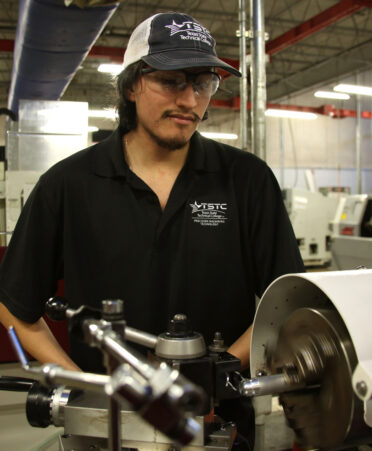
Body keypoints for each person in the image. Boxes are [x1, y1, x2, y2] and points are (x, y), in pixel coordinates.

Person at [0, 11, 304, 447]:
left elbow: (287, 299)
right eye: (172, 80)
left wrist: (216, 377)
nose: (189, 100)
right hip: (108, 431)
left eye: (203, 83)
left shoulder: (246, 180)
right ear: (130, 86)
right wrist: (84, 384)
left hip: (222, 425)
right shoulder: (69, 185)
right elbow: (14, 304)